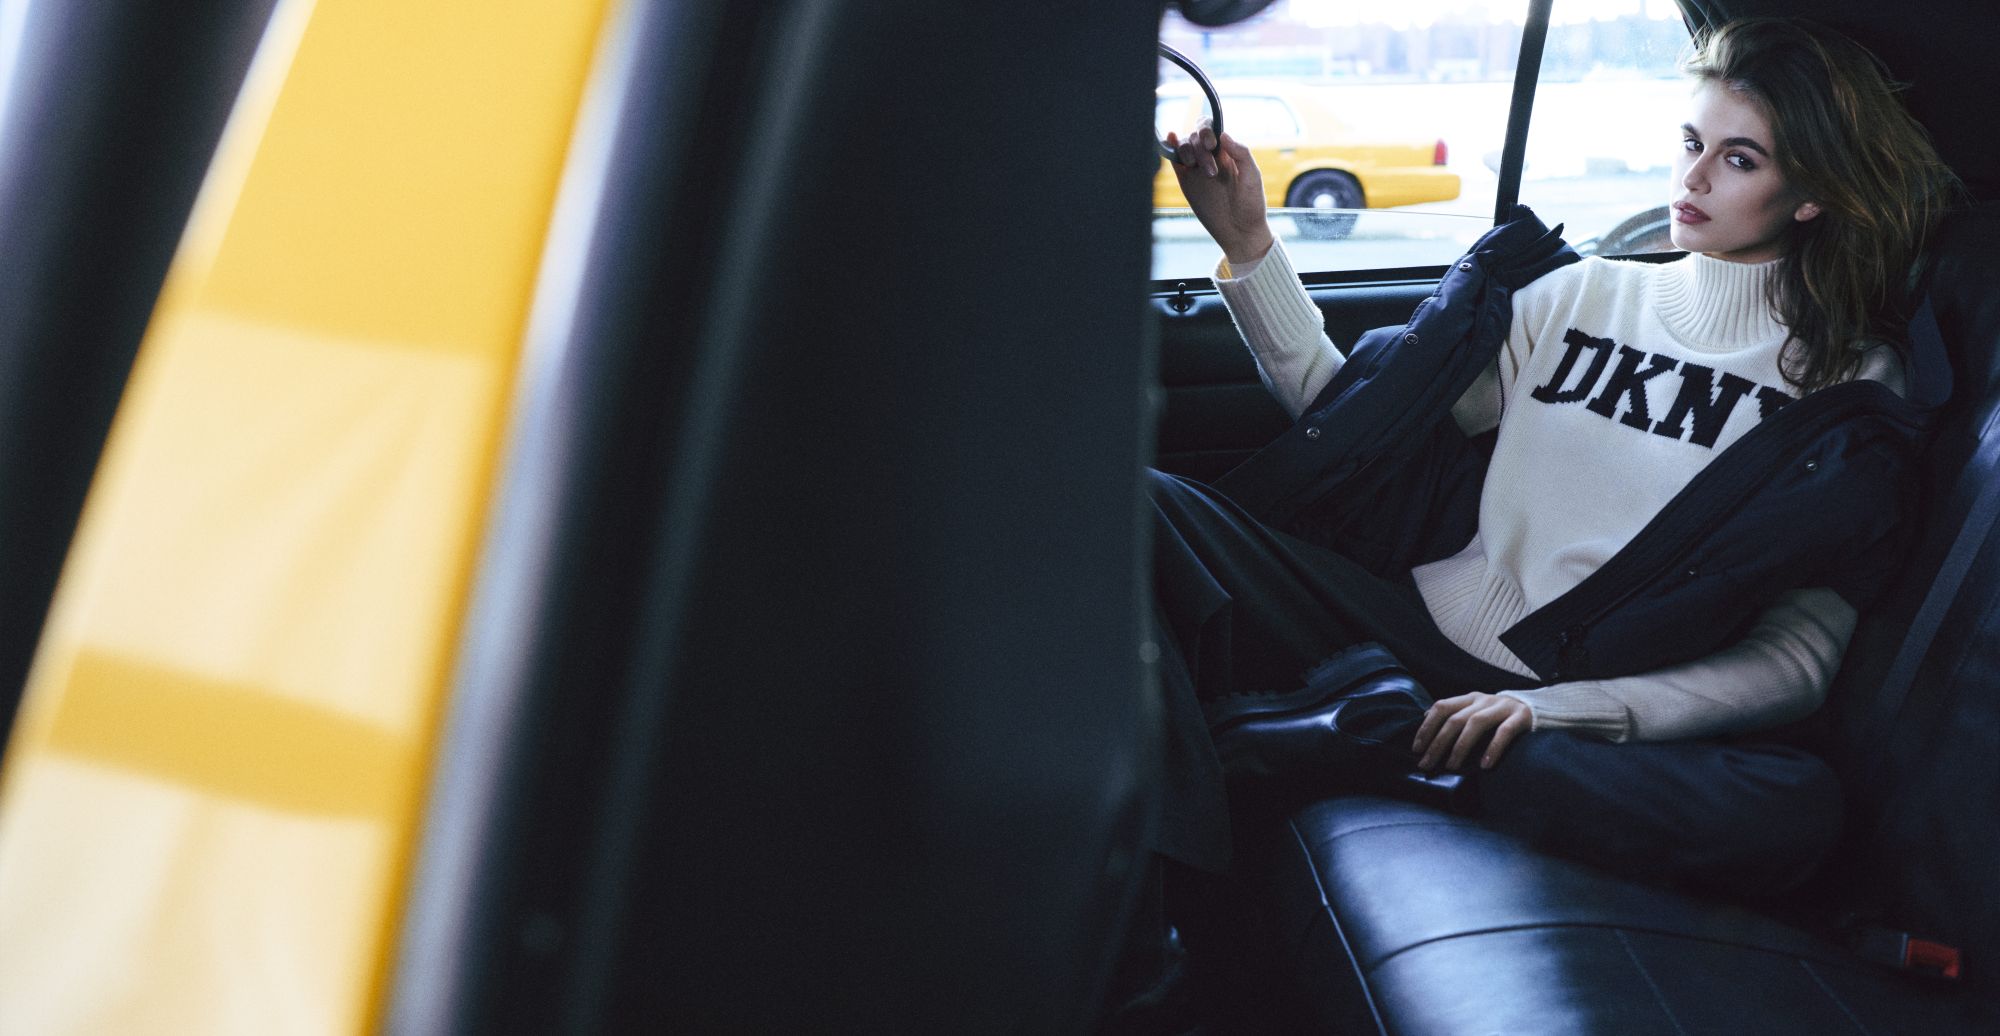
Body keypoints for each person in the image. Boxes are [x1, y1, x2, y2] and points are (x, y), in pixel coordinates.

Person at [1110, 19, 1960, 1021]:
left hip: (1569, 714)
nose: (1691, 180)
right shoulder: (1576, 295)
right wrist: (1247, 243)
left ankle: (1368, 740)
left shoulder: (1844, 395)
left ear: (1808, 192)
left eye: (1738, 160)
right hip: (1398, 632)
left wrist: (1557, 710)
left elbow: (1793, 663)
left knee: (1795, 812)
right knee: (1140, 507)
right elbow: (1357, 424)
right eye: (1692, 144)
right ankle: (1163, 930)